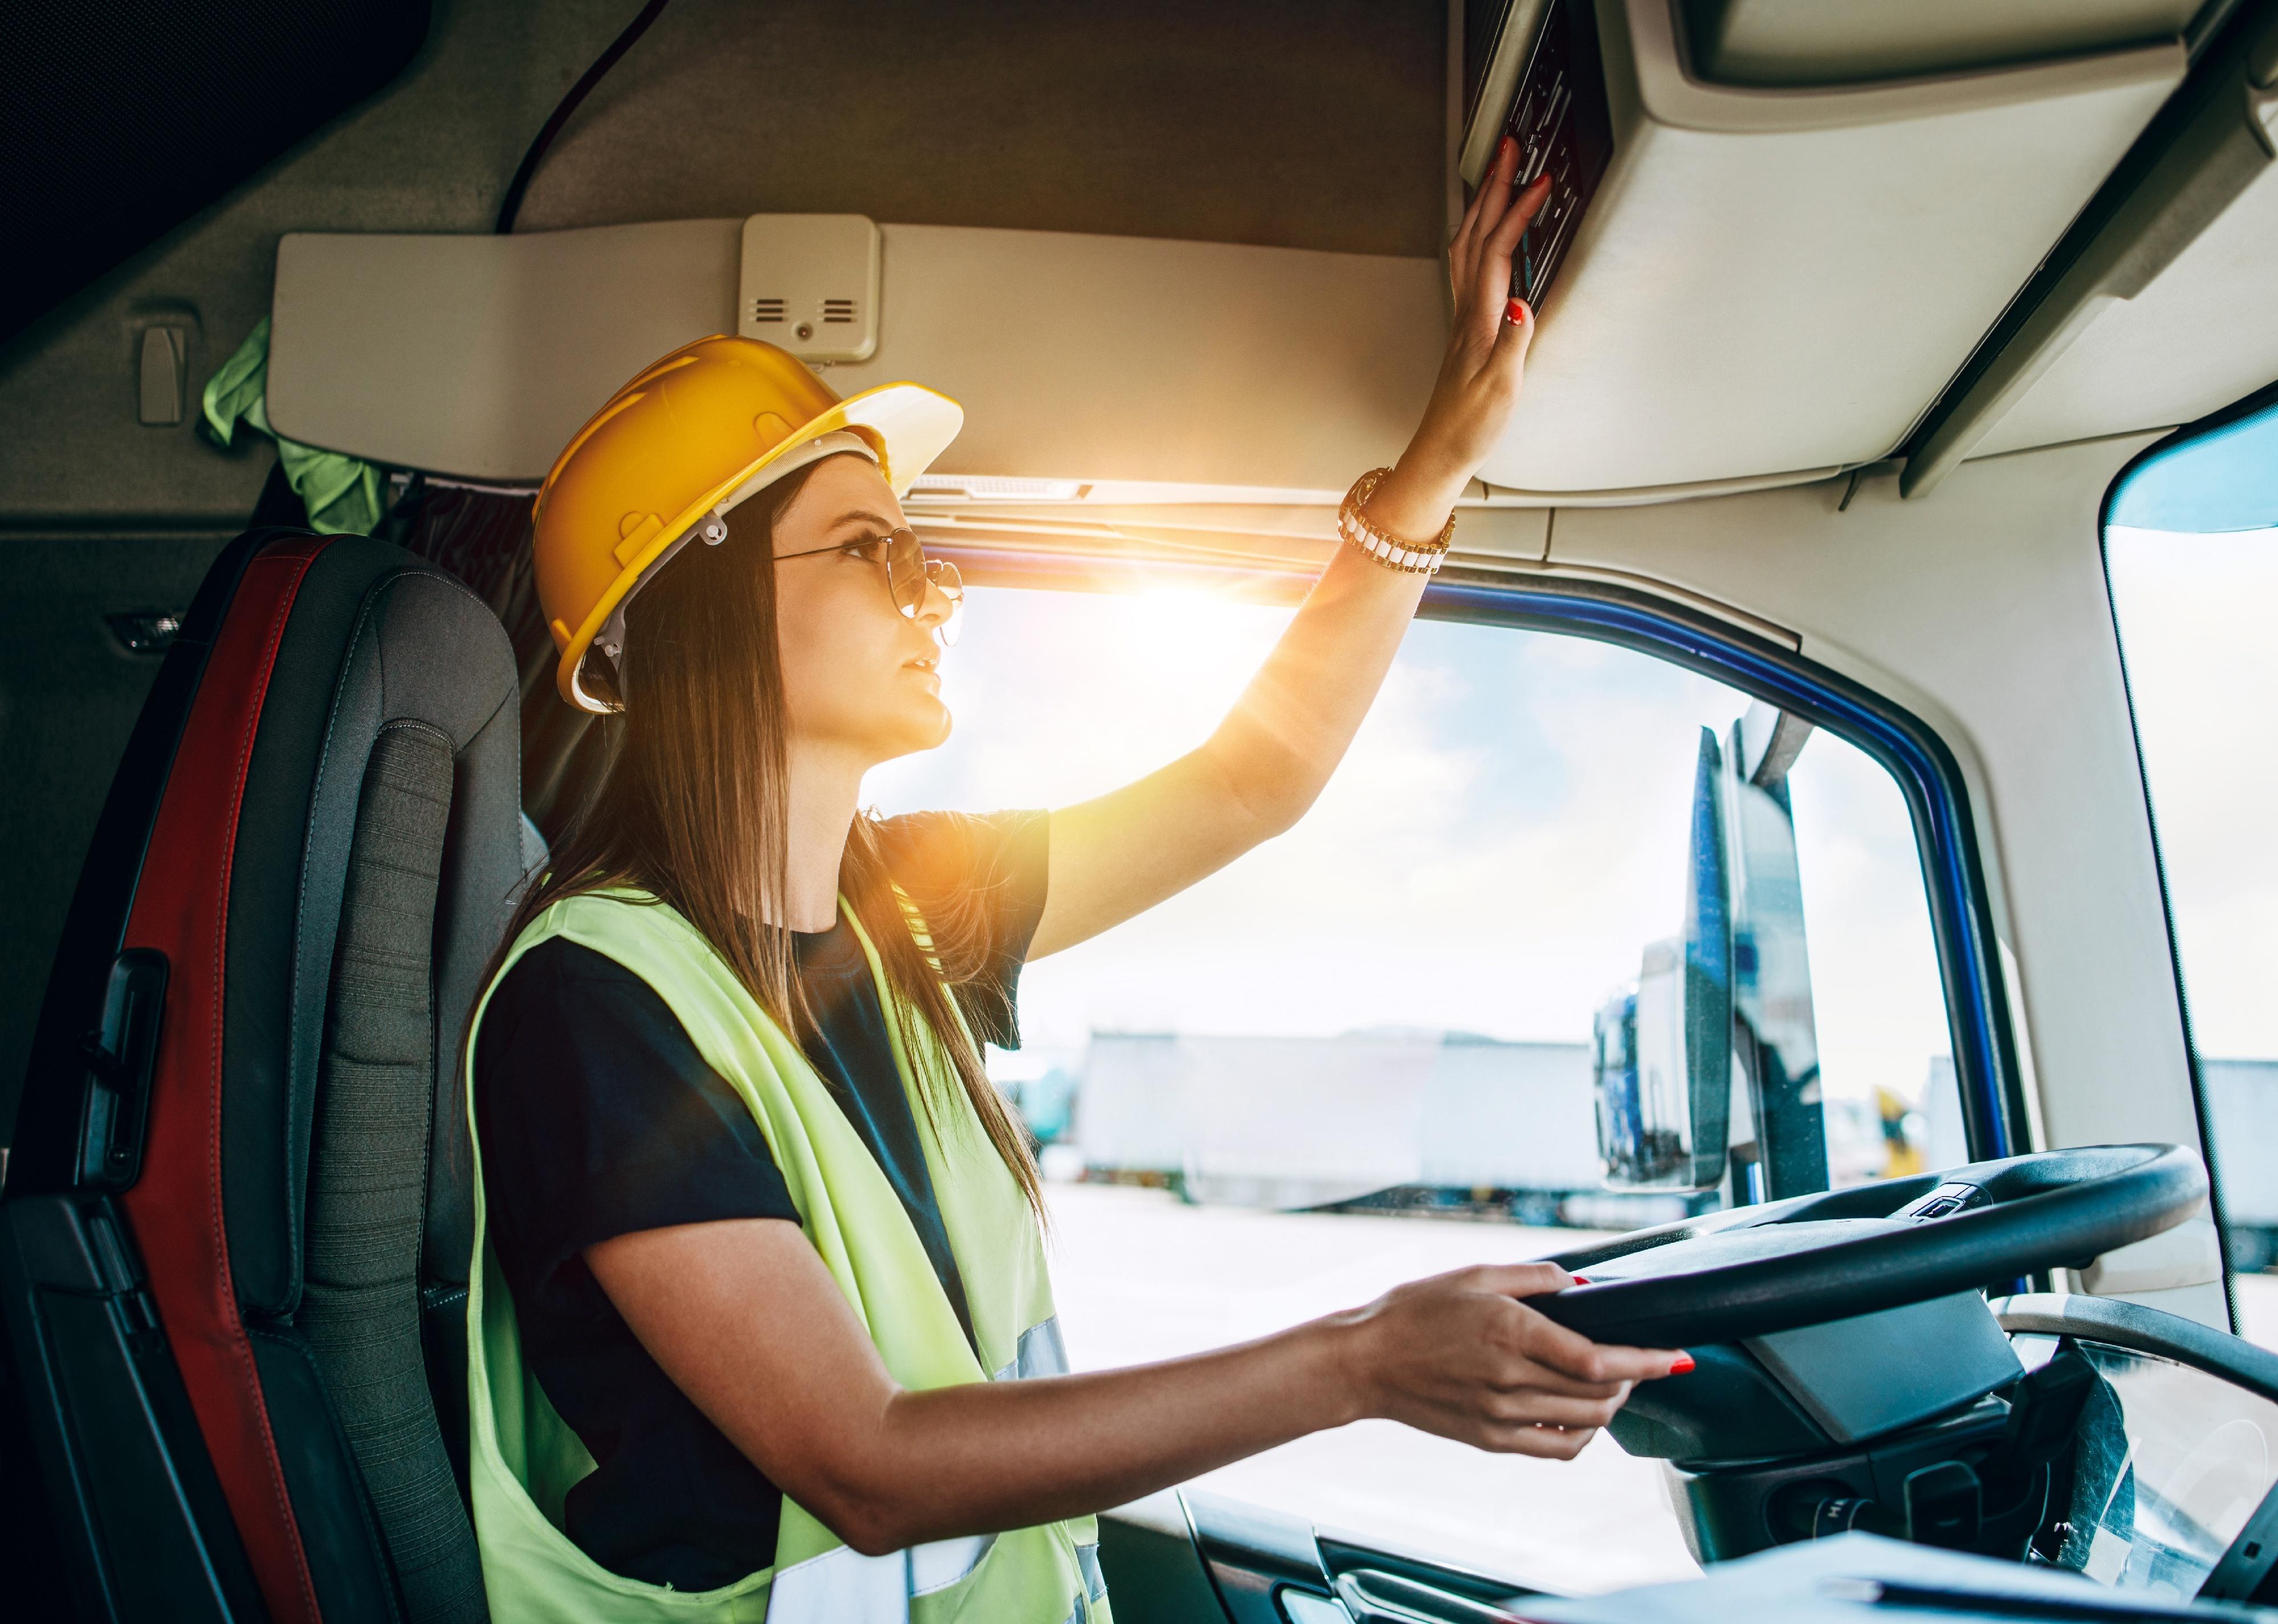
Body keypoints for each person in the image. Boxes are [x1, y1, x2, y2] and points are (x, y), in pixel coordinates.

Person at [465, 138, 1687, 1623]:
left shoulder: (908, 904)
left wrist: (1433, 463)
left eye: (922, 551)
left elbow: (1253, 779)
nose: (934, 589)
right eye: (868, 549)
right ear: (706, 612)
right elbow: (869, 1463)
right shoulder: (593, 1000)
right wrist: (1360, 1357)